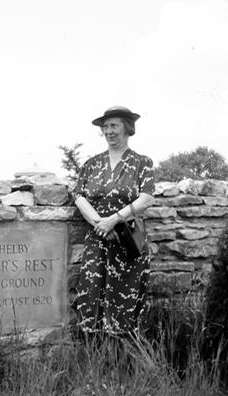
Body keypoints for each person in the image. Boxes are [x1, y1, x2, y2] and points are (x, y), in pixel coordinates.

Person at [72, 105, 155, 337]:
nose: (109, 131)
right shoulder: (91, 164)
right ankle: (94, 357)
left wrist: (114, 220)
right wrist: (100, 223)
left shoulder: (142, 162)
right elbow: (78, 195)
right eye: (105, 126)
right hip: (98, 242)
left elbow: (146, 198)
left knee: (125, 304)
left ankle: (124, 358)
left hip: (127, 243)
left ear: (127, 128)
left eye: (114, 125)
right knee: (91, 297)